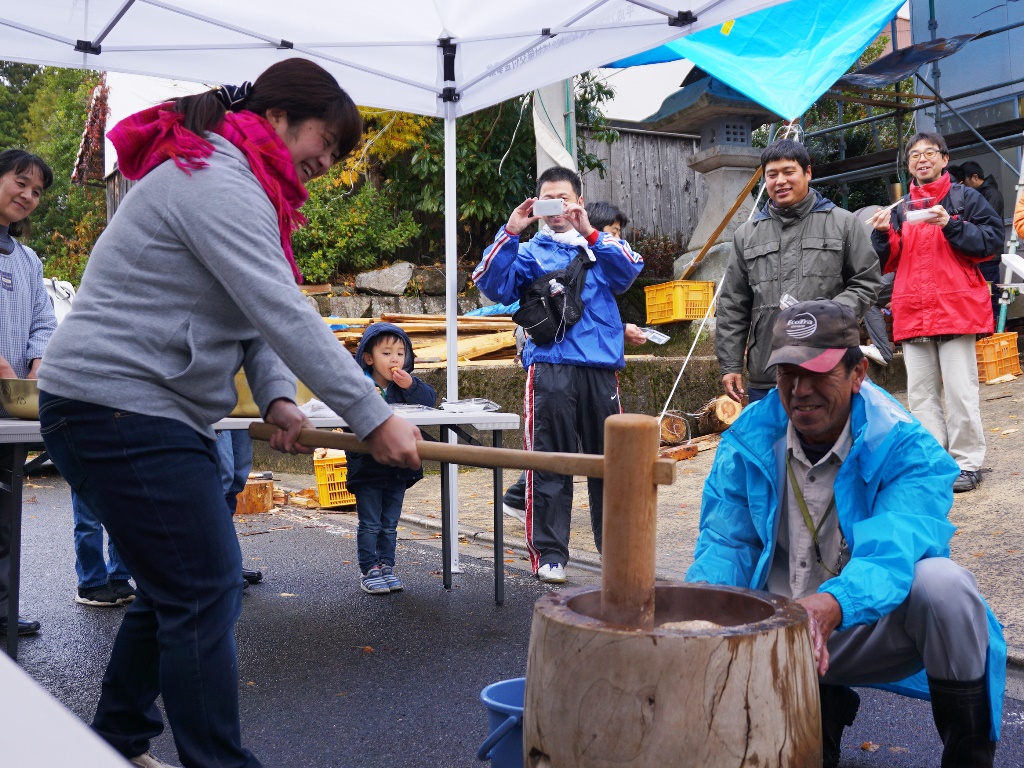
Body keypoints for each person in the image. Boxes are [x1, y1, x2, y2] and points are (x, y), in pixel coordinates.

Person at [36, 59, 421, 768]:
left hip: (136, 409)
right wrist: (373, 414)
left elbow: (253, 313)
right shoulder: (215, 177)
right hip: (114, 405)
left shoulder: (243, 184)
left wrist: (277, 396)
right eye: (325, 144)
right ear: (279, 119)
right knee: (203, 586)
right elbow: (282, 311)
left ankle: (115, 742)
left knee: (178, 586)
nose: (325, 164)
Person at [688, 300, 1005, 768]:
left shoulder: (905, 445)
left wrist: (834, 604)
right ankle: (820, 701)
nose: (799, 390)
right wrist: (696, 616)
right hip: (776, 626)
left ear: (858, 374)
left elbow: (890, 553)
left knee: (945, 586)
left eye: (817, 372)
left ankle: (968, 755)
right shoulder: (749, 439)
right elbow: (727, 544)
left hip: (859, 621)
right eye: (787, 373)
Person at [472, 168, 643, 583]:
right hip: (549, 369)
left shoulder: (602, 246)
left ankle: (617, 553)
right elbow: (491, 284)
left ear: (579, 202)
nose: (557, 209)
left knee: (611, 463)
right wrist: (510, 231)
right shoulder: (528, 252)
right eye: (547, 200)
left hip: (600, 371)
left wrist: (592, 234)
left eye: (564, 199)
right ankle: (550, 553)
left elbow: (629, 273)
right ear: (537, 205)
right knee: (548, 461)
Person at [868, 133, 1003, 493]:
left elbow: (991, 243)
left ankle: (967, 463)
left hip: (955, 307)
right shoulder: (899, 209)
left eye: (929, 153)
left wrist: (951, 224)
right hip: (913, 308)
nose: (922, 159)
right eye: (915, 155)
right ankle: (935, 461)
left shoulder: (965, 198)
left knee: (960, 391)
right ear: (909, 164)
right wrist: (881, 236)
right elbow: (886, 262)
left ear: (945, 159)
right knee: (922, 395)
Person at [502, 200, 645, 526]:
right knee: (555, 444)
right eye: (611, 233)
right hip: (553, 363)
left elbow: (594, 311)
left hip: (596, 367)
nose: (615, 240)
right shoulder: (551, 256)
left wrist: (622, 330)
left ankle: (522, 496)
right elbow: (557, 313)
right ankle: (522, 499)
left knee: (587, 445)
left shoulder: (604, 260)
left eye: (617, 234)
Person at [716, 139, 881, 404]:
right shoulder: (746, 235)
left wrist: (828, 315)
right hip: (768, 368)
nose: (779, 181)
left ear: (808, 172)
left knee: (830, 440)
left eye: (788, 171)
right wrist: (731, 363)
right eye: (772, 175)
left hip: (830, 361)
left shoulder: (843, 223)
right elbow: (733, 304)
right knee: (772, 444)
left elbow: (867, 280)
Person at [0, 148, 57, 638]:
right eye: (20, 182)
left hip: (13, 401)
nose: (28, 196)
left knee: (5, 509)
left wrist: (37, 363)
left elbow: (43, 319)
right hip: (6, 389)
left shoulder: (27, 259)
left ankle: (2, 608)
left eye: (36, 191)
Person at [347, 323, 436, 594]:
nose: (395, 359)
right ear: (368, 357)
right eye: (386, 353)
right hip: (367, 468)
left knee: (390, 524)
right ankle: (369, 568)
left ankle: (386, 565)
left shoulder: (404, 386)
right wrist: (366, 398)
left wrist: (411, 385)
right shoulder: (359, 384)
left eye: (400, 353)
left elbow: (429, 401)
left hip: (398, 468)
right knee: (370, 523)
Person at [215, 430, 264, 588]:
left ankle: (229, 562)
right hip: (216, 407)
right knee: (223, 476)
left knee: (238, 476)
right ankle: (214, 564)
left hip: (241, 406)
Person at [961, 160, 1006, 322]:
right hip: (985, 254)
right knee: (987, 293)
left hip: (990, 255)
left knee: (991, 294)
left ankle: (997, 331)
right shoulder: (985, 193)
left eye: (965, 182)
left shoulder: (991, 194)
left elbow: (987, 224)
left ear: (974, 177)